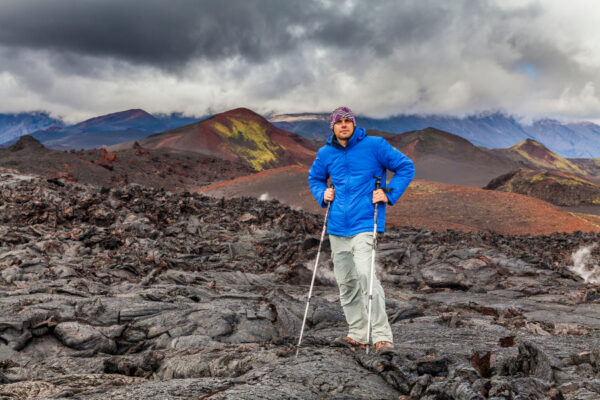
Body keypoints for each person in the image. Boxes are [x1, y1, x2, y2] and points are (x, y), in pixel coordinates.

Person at [308, 106, 415, 354]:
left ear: (354, 124)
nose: (344, 125)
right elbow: (314, 178)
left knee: (366, 276)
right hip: (336, 227)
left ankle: (381, 336)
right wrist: (322, 193)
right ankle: (357, 333)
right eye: (339, 122)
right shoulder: (325, 153)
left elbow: (405, 166)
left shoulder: (375, 145)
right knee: (346, 282)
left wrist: (388, 193)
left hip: (366, 222)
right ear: (332, 127)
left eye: (348, 121)